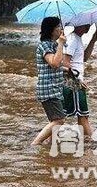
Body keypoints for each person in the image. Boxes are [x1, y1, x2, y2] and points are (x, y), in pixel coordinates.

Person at [31, 17, 67, 145]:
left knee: (55, 121)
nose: (61, 29)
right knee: (59, 120)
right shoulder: (44, 45)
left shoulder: (54, 44)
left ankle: (50, 148)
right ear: (51, 30)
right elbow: (54, 63)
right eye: (58, 27)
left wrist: (69, 72)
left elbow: (57, 66)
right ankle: (35, 144)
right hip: (49, 90)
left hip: (55, 88)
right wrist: (62, 43)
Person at [63, 24, 97, 136]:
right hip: (74, 83)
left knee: (63, 118)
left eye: (90, 24)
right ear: (78, 24)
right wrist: (77, 81)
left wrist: (93, 40)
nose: (89, 26)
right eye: (86, 24)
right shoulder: (73, 39)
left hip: (75, 82)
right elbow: (65, 63)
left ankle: (46, 142)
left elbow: (83, 58)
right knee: (82, 115)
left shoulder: (77, 38)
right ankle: (91, 145)